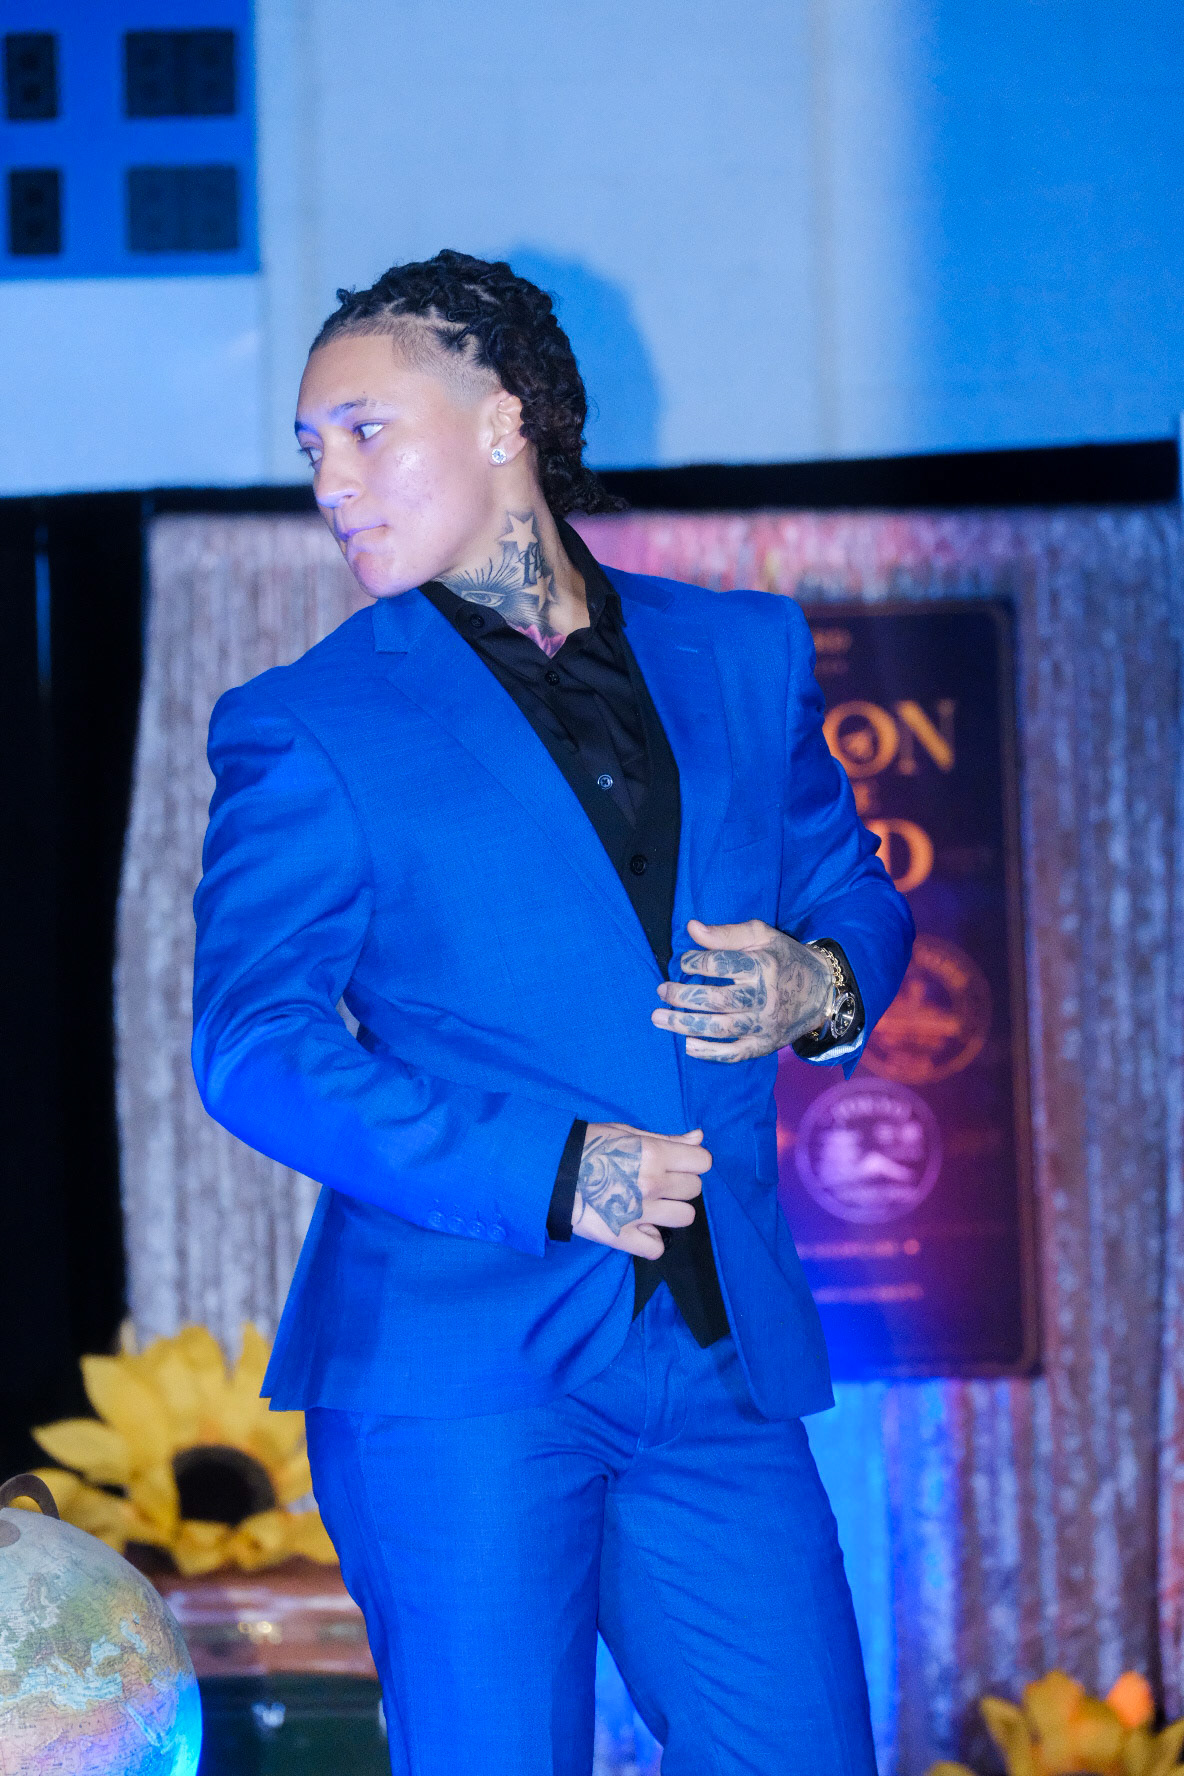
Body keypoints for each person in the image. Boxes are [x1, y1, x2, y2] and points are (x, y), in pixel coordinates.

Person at [192, 250, 914, 1776]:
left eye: (365, 430)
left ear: (503, 417)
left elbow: (850, 889)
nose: (331, 481)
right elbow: (253, 1045)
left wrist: (820, 984)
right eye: (311, 449)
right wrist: (553, 1167)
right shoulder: (306, 723)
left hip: (716, 1354)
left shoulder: (744, 653)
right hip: (455, 1369)